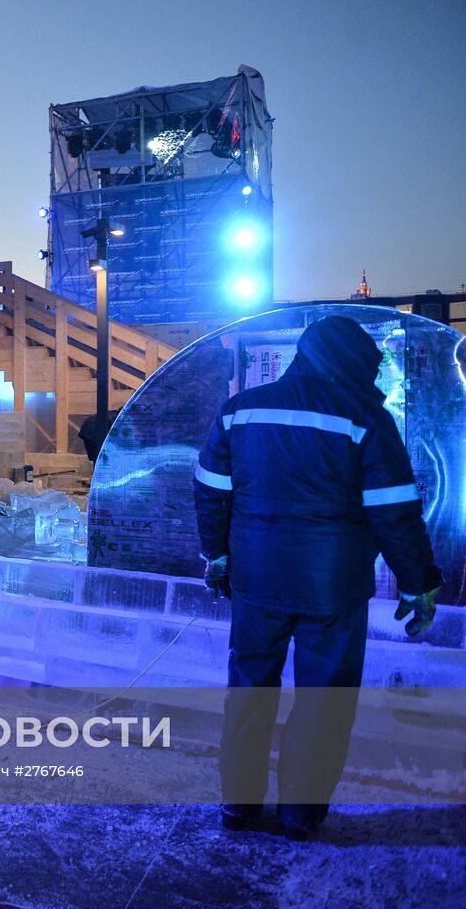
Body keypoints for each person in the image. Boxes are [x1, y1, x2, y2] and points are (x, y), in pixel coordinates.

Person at [194, 316, 441, 841]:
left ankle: (238, 805)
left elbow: (210, 492)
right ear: (355, 363)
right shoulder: (365, 417)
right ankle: (300, 814)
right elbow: (393, 512)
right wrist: (419, 583)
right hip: (334, 587)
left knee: (249, 690)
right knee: (324, 700)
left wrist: (216, 556)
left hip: (255, 581)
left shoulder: (240, 410)